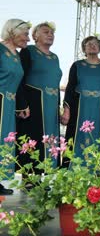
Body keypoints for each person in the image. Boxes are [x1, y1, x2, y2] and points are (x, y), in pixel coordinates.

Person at [16, 22, 62, 183]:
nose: (50, 35)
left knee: (50, 140)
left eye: (52, 33)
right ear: (35, 36)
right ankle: (30, 180)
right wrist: (21, 104)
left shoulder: (55, 57)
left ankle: (46, 178)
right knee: (33, 138)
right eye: (45, 32)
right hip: (34, 102)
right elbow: (19, 79)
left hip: (51, 104)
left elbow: (56, 82)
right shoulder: (28, 52)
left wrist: (59, 107)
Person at [61, 35, 100, 166]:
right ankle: (72, 169)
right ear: (84, 48)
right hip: (80, 108)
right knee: (76, 137)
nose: (92, 45)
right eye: (89, 44)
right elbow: (70, 88)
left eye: (95, 43)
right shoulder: (77, 65)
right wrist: (67, 110)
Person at [0, 19, 30, 195]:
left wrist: (22, 105)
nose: (28, 38)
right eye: (25, 34)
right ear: (12, 32)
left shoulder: (17, 55)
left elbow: (17, 83)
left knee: (5, 140)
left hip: (9, 104)